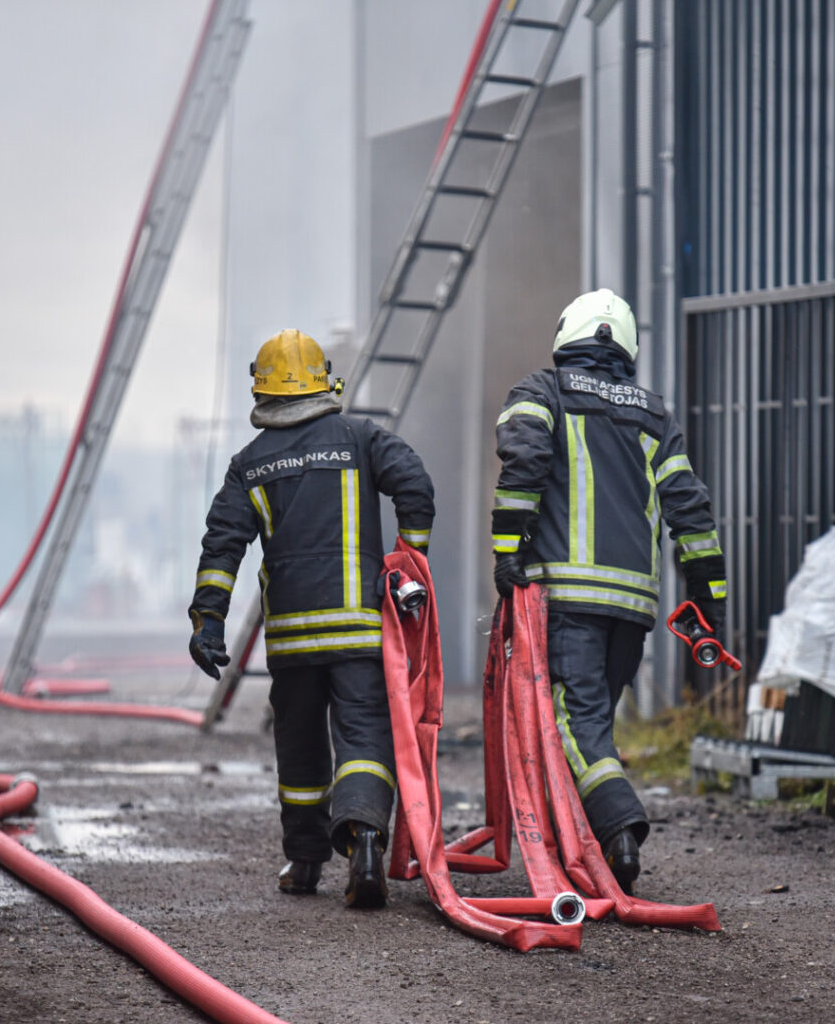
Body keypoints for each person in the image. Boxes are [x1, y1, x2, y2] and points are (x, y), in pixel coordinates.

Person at [188, 329, 434, 909]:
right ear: (325, 381)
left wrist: (208, 622)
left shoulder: (248, 465)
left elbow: (221, 547)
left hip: (294, 639)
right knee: (365, 737)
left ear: (264, 389)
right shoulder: (361, 437)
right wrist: (408, 559)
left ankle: (303, 864)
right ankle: (366, 840)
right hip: (360, 630)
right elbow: (415, 485)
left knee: (300, 748)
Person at [491, 289, 727, 894]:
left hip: (565, 597)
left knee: (575, 723)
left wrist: (506, 550)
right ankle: (587, 846)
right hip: (632, 609)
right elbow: (690, 509)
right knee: (593, 724)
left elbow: (524, 460)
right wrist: (711, 595)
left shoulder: (543, 392)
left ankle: (621, 831)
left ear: (565, 335)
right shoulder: (654, 414)